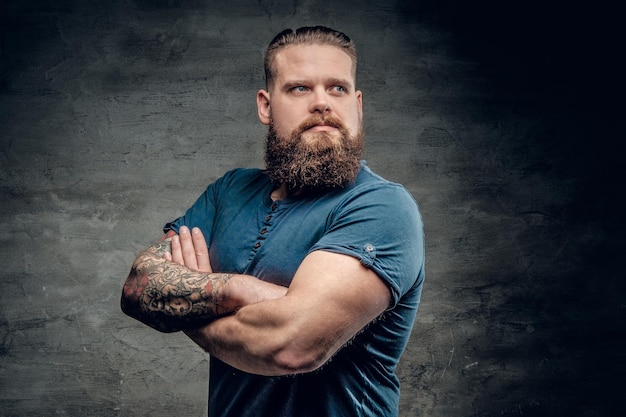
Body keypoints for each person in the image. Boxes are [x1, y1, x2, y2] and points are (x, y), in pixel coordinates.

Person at [121, 25, 425, 417]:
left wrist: (193, 307)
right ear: (265, 105)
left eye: (338, 88)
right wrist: (247, 291)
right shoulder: (228, 192)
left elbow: (291, 346)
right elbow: (138, 288)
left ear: (358, 104)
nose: (322, 103)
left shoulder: (381, 207)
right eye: (300, 88)